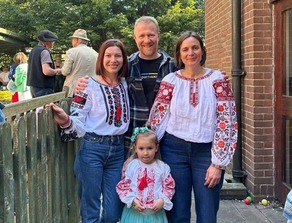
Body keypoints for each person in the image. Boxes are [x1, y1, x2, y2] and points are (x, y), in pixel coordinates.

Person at [75, 16, 230, 154]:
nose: (146, 40)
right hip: (132, 140)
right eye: (142, 35)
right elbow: (107, 81)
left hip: (167, 141)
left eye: (151, 35)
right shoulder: (126, 66)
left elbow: (197, 77)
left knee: (165, 184)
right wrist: (84, 84)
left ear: (158, 35)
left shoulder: (174, 66)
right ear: (135, 37)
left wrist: (218, 79)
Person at [147, 31, 238, 223]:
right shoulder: (170, 81)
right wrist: (151, 154)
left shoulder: (218, 81)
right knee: (178, 213)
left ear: (202, 51)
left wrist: (218, 163)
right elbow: (157, 119)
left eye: (195, 48)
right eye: (185, 49)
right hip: (173, 150)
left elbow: (227, 121)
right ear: (179, 55)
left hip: (206, 153)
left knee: (207, 214)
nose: (191, 53)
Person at [50, 39, 129, 222]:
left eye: (118, 56)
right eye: (108, 55)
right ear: (101, 58)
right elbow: (78, 117)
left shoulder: (125, 84)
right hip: (92, 148)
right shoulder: (87, 85)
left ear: (124, 60)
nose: (113, 60)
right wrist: (66, 120)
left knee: (113, 211)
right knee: (90, 205)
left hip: (118, 151)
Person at [116, 127, 175, 223]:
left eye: (150, 148)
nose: (145, 153)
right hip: (134, 215)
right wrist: (133, 200)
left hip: (155, 216)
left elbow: (169, 187)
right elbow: (123, 186)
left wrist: (162, 200)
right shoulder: (131, 166)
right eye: (141, 148)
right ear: (135, 148)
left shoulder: (162, 167)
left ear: (156, 147)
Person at [61, 29, 98, 97]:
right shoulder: (96, 54)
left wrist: (60, 69)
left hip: (74, 90)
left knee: (71, 107)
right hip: (90, 90)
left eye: (72, 39)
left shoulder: (71, 52)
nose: (72, 41)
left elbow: (65, 71)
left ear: (76, 40)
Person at [27, 30, 62, 98]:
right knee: (46, 107)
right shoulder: (44, 51)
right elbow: (46, 71)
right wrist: (58, 71)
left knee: (37, 107)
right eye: (52, 41)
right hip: (44, 87)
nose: (53, 43)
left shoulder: (33, 50)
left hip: (34, 87)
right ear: (47, 42)